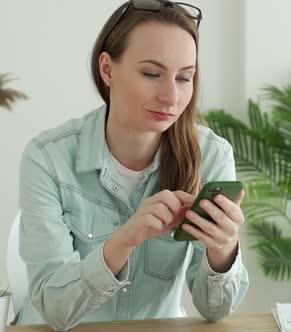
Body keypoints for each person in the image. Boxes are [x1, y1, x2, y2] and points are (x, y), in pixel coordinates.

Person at [17, 0, 249, 330]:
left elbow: (215, 311)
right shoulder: (48, 158)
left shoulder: (211, 156)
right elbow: (55, 311)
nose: (171, 97)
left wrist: (223, 249)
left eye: (184, 78)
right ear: (107, 69)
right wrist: (123, 240)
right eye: (152, 74)